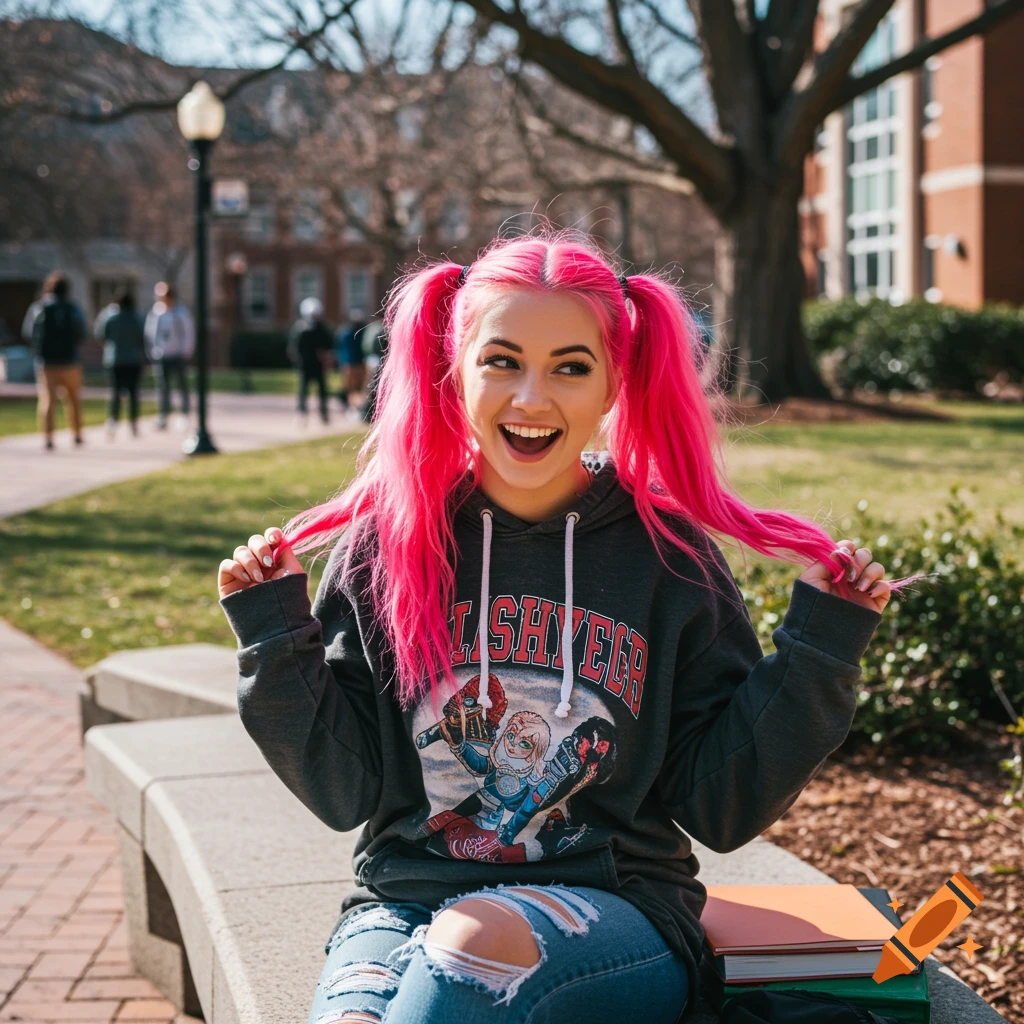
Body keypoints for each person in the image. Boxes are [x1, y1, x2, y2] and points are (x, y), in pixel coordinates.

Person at [216, 231, 928, 1024]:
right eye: (502, 360)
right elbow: (343, 790)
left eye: (570, 367)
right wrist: (275, 636)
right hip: (400, 910)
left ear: (614, 384)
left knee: (468, 948)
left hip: (617, 914)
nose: (531, 398)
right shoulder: (389, 546)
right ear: (455, 370)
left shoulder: (671, 560)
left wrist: (821, 645)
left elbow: (723, 806)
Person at [22, 271, 87, 451]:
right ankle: (77, 434)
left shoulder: (39, 307)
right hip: (71, 361)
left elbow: (28, 332)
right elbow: (82, 333)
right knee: (73, 399)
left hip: (46, 362)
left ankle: (48, 437)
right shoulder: (72, 308)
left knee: (47, 400)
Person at [144, 282, 195, 430]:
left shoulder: (181, 312)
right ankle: (163, 416)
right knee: (162, 387)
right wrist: (153, 350)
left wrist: (186, 351)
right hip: (162, 355)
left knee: (182, 385)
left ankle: (184, 415)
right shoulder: (155, 312)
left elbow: (188, 333)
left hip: (178, 355)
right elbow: (150, 333)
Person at [102, 292, 147, 439]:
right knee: (134, 393)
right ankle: (133, 423)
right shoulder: (138, 318)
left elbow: (101, 334)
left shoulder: (111, 317)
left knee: (115, 393)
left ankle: (113, 421)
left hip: (115, 360)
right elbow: (143, 338)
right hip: (134, 360)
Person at [287, 297, 333, 425]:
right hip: (306, 365)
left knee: (321, 390)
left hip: (317, 364)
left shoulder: (320, 328)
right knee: (304, 390)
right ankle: (302, 412)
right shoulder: (300, 328)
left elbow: (328, 346)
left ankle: (323, 413)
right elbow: (294, 348)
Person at [335, 308, 369, 412]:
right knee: (354, 388)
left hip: (351, 364)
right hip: (353, 364)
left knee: (353, 389)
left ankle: (354, 407)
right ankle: (355, 407)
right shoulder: (359, 333)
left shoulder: (344, 333)